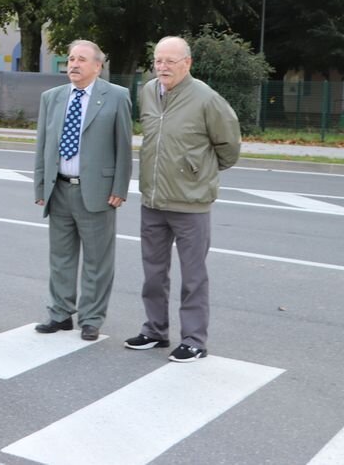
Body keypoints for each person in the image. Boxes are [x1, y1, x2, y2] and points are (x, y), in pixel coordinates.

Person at [125, 36, 241, 362]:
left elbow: (229, 147)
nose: (162, 67)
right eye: (158, 61)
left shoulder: (207, 99)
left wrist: (198, 173)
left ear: (187, 63)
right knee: (153, 273)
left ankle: (194, 340)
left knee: (193, 277)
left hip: (191, 203)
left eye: (170, 61)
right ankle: (155, 330)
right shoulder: (148, 91)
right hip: (153, 199)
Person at [32, 40, 133, 340]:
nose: (73, 64)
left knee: (97, 261)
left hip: (98, 191)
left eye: (82, 60)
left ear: (98, 66)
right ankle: (60, 314)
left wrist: (120, 187)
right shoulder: (52, 97)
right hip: (59, 188)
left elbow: (124, 146)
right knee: (60, 258)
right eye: (71, 59)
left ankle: (91, 319)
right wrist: (41, 184)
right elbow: (42, 145)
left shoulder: (116, 96)